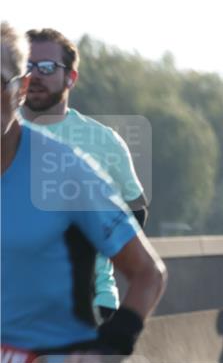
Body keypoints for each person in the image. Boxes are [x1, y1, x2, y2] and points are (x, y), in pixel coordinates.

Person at [1, 21, 167, 363]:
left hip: (64, 349)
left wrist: (106, 345)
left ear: (20, 87)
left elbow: (145, 267)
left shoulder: (73, 160)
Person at [20, 27, 149, 323]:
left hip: (89, 304)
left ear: (71, 77)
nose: (35, 75)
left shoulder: (103, 141)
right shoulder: (6, 134)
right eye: (27, 66)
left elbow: (135, 210)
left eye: (47, 67)